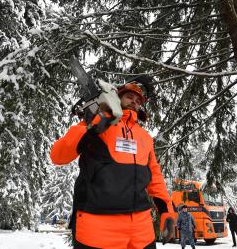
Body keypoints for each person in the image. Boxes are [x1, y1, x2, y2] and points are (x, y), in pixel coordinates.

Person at [50, 83, 174, 249]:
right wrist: (92, 125)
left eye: (138, 100)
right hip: (97, 226)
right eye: (129, 97)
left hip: (141, 229)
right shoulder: (97, 123)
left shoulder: (144, 137)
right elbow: (58, 156)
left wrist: (167, 211)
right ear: (117, 98)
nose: (134, 102)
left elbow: (155, 176)